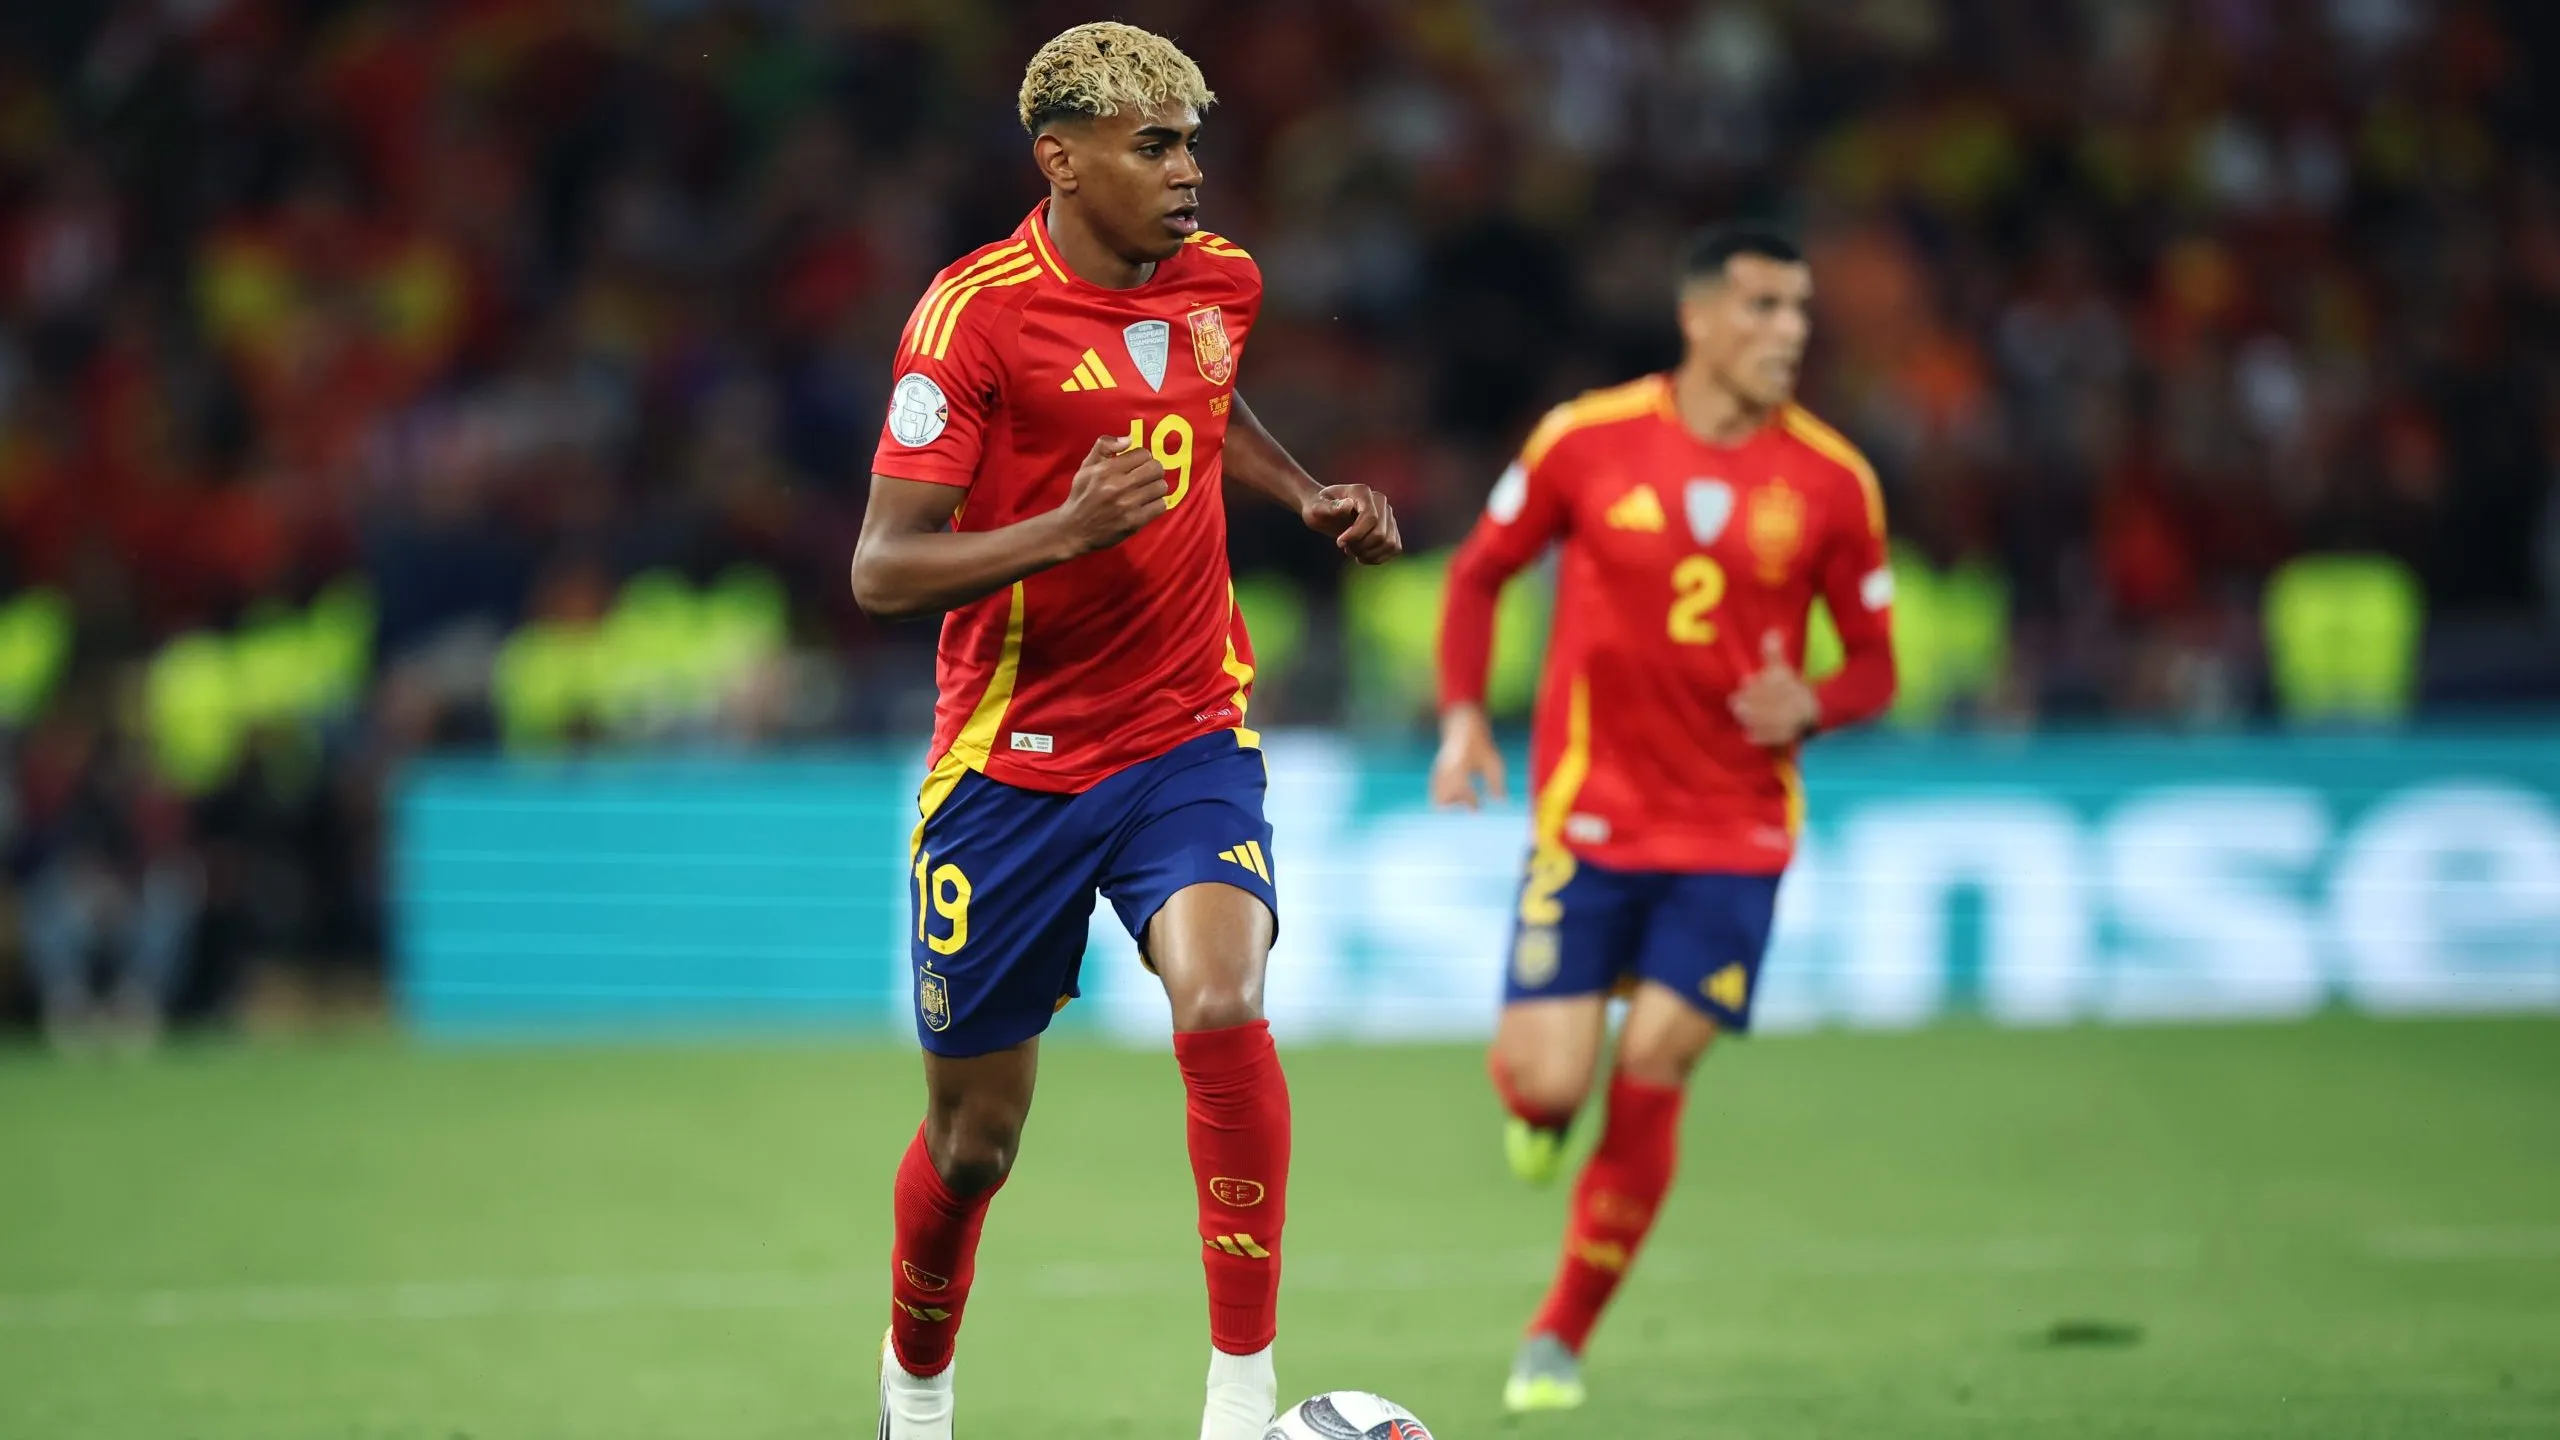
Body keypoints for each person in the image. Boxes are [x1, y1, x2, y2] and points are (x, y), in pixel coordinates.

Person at [849, 22, 1400, 1440]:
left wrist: (1303, 493)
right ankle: (916, 1402)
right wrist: (1064, 528)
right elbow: (882, 569)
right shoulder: (970, 319)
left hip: (1184, 734)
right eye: (1155, 146)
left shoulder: (1222, 284)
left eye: (1192, 142)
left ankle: (1239, 1406)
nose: (1189, 172)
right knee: (975, 1148)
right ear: (1063, 159)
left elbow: (1204, 406)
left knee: (1223, 998)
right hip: (1008, 771)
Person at [1431, 224, 1897, 1413]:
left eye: (1799, 311)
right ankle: (1539, 1114)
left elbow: (1877, 668)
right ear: (1697, 319)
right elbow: (1479, 572)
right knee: (1546, 1087)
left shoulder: (1834, 481)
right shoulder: (1584, 441)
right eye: (1762, 308)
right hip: (1587, 822)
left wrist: (1821, 701)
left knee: (1655, 1067)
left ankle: (1557, 1338)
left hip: (1735, 836)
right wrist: (1463, 719)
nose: (1788, 331)